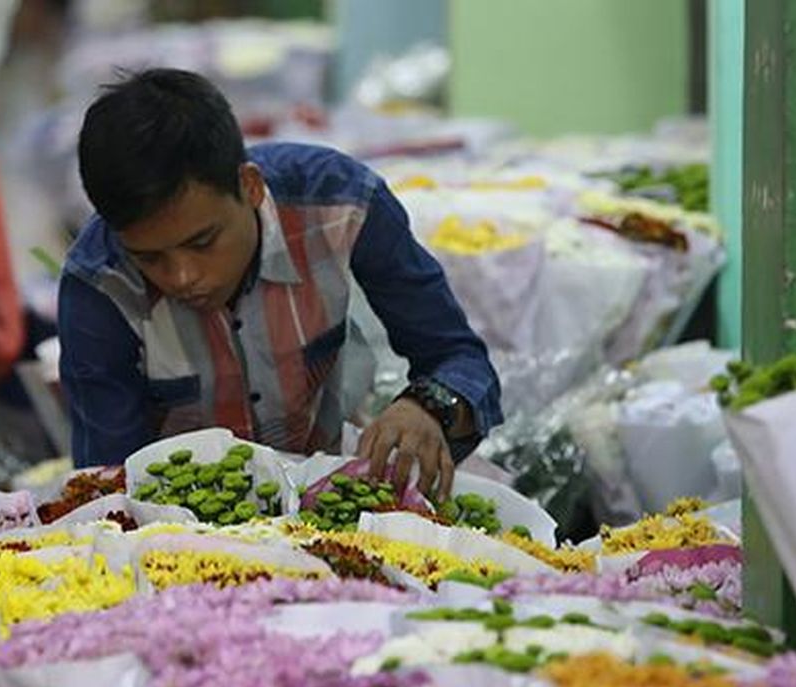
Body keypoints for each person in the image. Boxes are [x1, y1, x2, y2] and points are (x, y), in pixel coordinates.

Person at [59, 68, 502, 497]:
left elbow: (459, 359)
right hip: (180, 542)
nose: (184, 277)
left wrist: (428, 407)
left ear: (250, 186)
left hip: (328, 501)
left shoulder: (343, 205)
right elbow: (108, 489)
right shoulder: (98, 285)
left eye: (203, 242)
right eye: (149, 259)